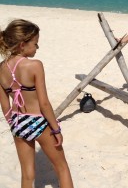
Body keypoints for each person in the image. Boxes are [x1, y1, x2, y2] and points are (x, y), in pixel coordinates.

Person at [0, 19, 74, 188]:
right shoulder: (34, 66)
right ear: (22, 45)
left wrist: (14, 124)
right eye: (35, 44)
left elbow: (5, 105)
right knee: (62, 168)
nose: (37, 48)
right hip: (38, 121)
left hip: (17, 122)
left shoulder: (1, 69)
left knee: (27, 174)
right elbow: (44, 104)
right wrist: (56, 129)